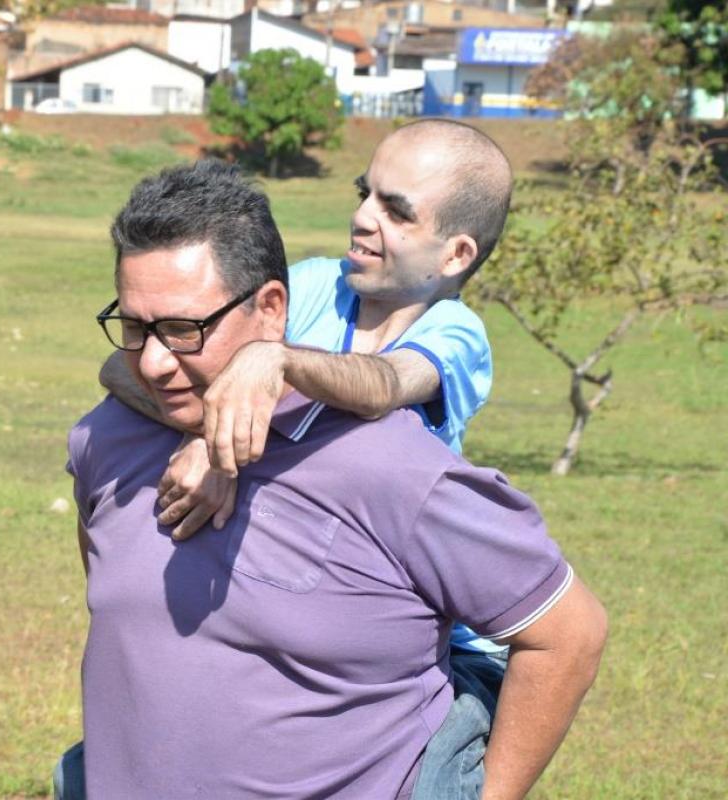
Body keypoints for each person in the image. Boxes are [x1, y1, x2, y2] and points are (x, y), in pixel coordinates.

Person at [62, 160, 606, 798]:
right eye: (134, 328)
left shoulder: (396, 458)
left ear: (272, 311)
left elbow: (569, 634)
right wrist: (212, 430)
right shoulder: (106, 439)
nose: (154, 363)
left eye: (184, 330)